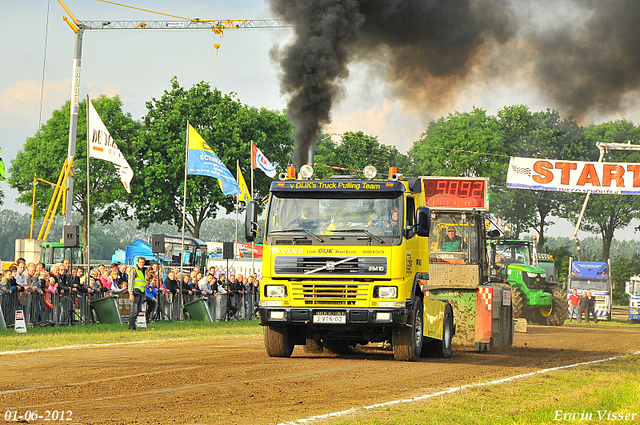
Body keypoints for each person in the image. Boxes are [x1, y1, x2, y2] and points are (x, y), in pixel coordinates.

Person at [127, 257, 148, 330]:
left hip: (141, 293)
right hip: (135, 293)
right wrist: (131, 293)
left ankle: (133, 326)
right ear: (137, 262)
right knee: (134, 311)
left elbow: (143, 284)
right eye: (140, 262)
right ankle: (131, 327)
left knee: (138, 310)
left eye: (143, 262)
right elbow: (130, 282)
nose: (142, 264)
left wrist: (144, 295)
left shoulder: (143, 271)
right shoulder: (134, 270)